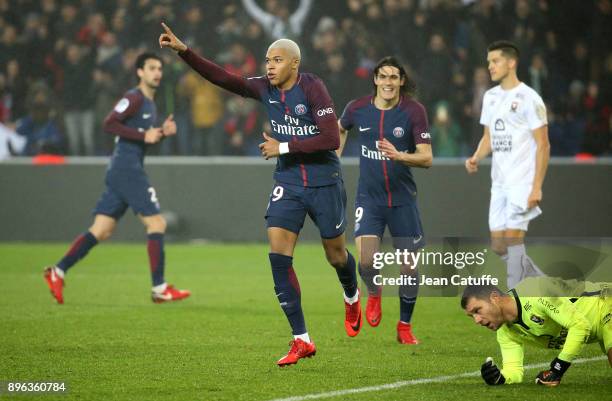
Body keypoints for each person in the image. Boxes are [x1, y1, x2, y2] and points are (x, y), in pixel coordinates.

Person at [159, 22, 361, 367]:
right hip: (289, 182)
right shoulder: (264, 88)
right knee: (279, 257)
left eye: (277, 60)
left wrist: (282, 145)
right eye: (268, 59)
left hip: (324, 180)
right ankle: (302, 339)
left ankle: (352, 294)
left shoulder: (313, 88)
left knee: (336, 254)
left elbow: (330, 139)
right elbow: (222, 78)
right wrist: (185, 52)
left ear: (294, 64)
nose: (269, 66)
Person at [43, 52, 191, 305]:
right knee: (157, 224)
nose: (157, 72)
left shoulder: (150, 104)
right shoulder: (133, 98)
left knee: (102, 229)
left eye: (159, 68)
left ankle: (58, 271)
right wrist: (145, 136)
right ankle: (159, 288)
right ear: (140, 72)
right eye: (152, 68)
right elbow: (109, 124)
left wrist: (161, 134)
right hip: (127, 168)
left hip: (124, 168)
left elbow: (140, 136)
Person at [337, 56, 432, 344]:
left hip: (403, 200)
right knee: (366, 261)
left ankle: (404, 326)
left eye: (394, 77)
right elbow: (340, 128)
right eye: (383, 77)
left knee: (409, 268)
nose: (388, 82)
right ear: (375, 80)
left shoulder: (414, 111)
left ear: (401, 81)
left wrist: (399, 155)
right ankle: (374, 292)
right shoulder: (357, 109)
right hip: (370, 199)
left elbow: (426, 157)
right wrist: (333, 160)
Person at [465, 41, 550, 289]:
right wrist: (476, 157)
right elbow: (488, 138)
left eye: (495, 61)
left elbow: (543, 145)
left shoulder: (529, 98)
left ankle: (516, 308)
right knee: (498, 246)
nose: (490, 66)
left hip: (522, 182)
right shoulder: (491, 97)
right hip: (499, 183)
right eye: (489, 62)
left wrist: (537, 187)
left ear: (511, 63)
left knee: (513, 243)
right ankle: (547, 284)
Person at [461, 278, 611, 387]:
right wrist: (500, 377)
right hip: (598, 328)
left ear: (494, 298)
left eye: (477, 310)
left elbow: (580, 325)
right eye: (472, 316)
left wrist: (557, 369)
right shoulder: (505, 332)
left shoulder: (535, 293)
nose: (477, 320)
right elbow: (514, 371)